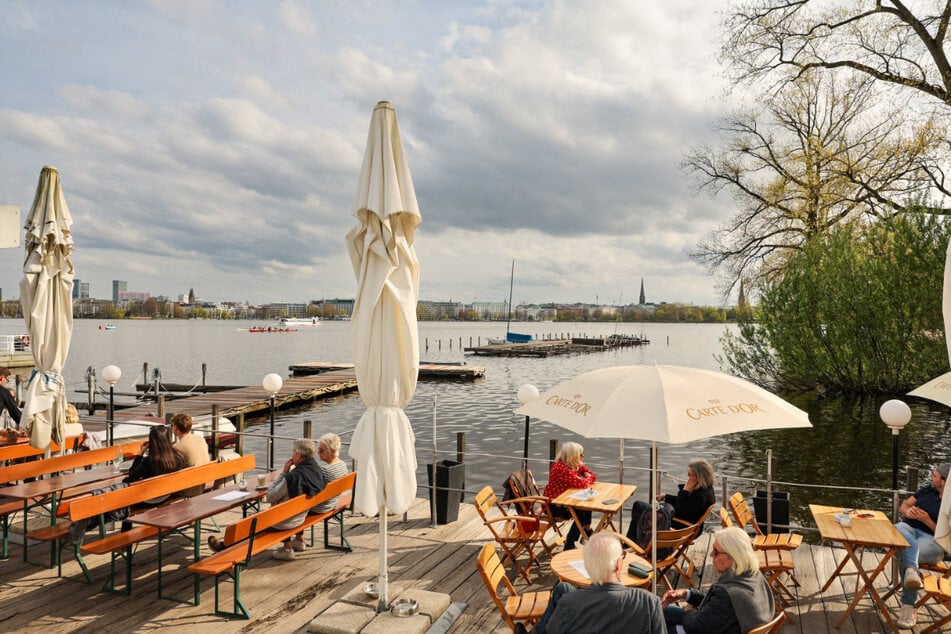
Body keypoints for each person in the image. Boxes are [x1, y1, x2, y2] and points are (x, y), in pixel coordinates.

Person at [530, 532, 665, 634]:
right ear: (618, 564)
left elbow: (551, 630)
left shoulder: (569, 604)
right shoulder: (649, 602)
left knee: (562, 588)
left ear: (587, 566)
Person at [662, 526, 775, 634]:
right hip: (719, 625)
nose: (711, 554)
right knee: (657, 610)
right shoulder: (752, 575)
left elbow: (694, 628)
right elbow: (716, 602)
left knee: (655, 620)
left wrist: (689, 611)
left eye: (716, 552)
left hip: (700, 628)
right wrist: (686, 594)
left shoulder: (728, 593)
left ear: (733, 556)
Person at [894, 462, 949, 629]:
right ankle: (911, 573)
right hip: (908, 529)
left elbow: (947, 537)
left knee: (904, 552)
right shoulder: (927, 490)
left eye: (935, 476)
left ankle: (908, 606)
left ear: (944, 481)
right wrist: (908, 512)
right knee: (899, 527)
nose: (932, 477)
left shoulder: (949, 502)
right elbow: (904, 505)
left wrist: (927, 520)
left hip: (932, 541)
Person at [258, 438, 327, 561]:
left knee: (251, 524)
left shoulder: (293, 477)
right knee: (282, 504)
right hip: (301, 518)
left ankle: (287, 550)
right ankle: (298, 541)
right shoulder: (316, 469)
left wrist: (284, 472)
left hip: (284, 522)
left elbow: (270, 496)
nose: (292, 455)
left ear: (298, 455)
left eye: (293, 452)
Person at [627, 459, 717, 543]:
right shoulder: (706, 489)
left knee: (639, 507)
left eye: (690, 474)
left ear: (699, 477)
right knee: (642, 508)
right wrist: (666, 497)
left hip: (680, 526)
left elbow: (679, 510)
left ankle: (633, 542)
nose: (688, 476)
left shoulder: (700, 497)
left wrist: (685, 491)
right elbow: (686, 503)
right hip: (684, 523)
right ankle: (637, 539)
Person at [543, 441, 597, 550]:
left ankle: (587, 532)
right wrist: (587, 477)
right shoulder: (561, 468)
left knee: (587, 505)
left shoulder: (573, 465)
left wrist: (587, 476)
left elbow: (593, 475)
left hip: (565, 500)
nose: (583, 455)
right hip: (553, 505)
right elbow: (583, 484)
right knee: (581, 512)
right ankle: (570, 542)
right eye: (580, 454)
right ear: (573, 455)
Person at [124, 425, 188, 504]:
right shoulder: (178, 456)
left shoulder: (149, 461)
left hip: (151, 500)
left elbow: (131, 476)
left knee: (125, 482)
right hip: (169, 495)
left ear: (152, 442)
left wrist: (140, 454)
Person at [170, 413, 211, 496]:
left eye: (172, 426)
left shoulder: (177, 447)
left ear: (175, 428)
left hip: (189, 488)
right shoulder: (200, 439)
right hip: (203, 482)